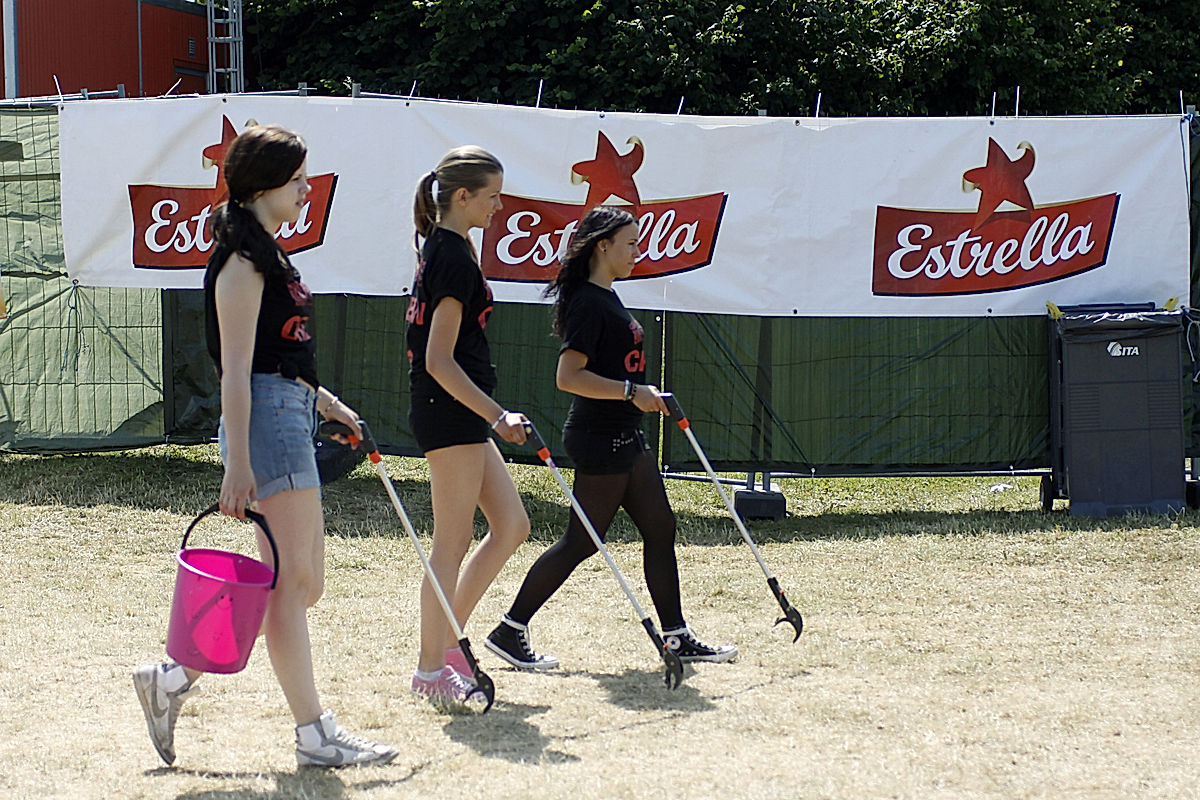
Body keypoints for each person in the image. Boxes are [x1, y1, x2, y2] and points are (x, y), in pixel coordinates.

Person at [133, 124, 398, 768]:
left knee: (302, 583)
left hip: (291, 411)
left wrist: (328, 403)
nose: (308, 191)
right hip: (269, 423)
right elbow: (237, 370)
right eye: (301, 180)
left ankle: (172, 678)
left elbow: (283, 356)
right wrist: (238, 464)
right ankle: (313, 733)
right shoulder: (242, 262)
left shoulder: (268, 253)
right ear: (266, 185)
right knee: (291, 584)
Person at [486, 205, 737, 670]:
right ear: (602, 246)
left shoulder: (606, 296)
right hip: (602, 437)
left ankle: (677, 636)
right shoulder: (587, 301)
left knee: (661, 527)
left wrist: (640, 394)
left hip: (624, 432)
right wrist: (630, 392)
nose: (637, 252)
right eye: (630, 244)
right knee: (582, 542)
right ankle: (510, 629)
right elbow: (569, 376)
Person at [405, 145, 531, 707]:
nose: (499, 206)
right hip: (450, 413)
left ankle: (448, 647)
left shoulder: (448, 247)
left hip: (461, 415)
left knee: (511, 525)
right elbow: (438, 359)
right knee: (451, 544)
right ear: (463, 197)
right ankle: (432, 671)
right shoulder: (451, 257)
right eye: (492, 196)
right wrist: (496, 415)